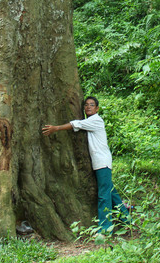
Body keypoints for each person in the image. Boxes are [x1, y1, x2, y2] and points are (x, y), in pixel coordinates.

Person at [42, 96, 129, 235]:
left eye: (92, 105)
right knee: (112, 193)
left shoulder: (95, 120)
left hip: (102, 163)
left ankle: (106, 229)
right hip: (100, 163)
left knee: (104, 195)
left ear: (97, 108)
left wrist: (56, 128)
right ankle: (127, 220)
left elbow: (76, 124)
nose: (88, 107)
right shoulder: (90, 121)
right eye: (86, 105)